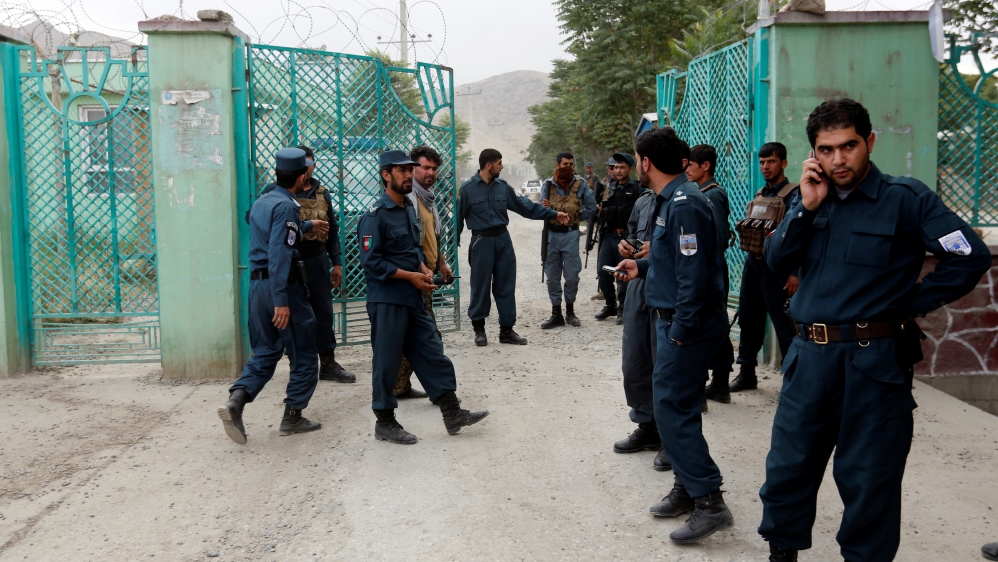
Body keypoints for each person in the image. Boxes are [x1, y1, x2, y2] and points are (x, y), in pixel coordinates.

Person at [758, 99, 990, 562]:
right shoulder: (807, 198)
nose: (838, 160)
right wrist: (805, 208)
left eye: (849, 146)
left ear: (870, 141)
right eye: (826, 150)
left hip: (874, 361)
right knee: (788, 466)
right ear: (813, 153)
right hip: (810, 358)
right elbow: (776, 260)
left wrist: (906, 303)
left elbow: (969, 256)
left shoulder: (906, 198)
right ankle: (782, 553)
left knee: (869, 477)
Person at [615, 127, 733, 544]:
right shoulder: (672, 199)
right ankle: (688, 486)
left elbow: (695, 275)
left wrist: (680, 331)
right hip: (677, 320)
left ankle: (709, 501)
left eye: (636, 159)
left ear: (646, 162)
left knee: (670, 407)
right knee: (674, 406)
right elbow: (674, 261)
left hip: (686, 324)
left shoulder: (685, 203)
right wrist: (641, 267)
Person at [358, 150, 490, 444]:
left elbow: (414, 248)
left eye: (410, 170)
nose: (409, 175)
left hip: (413, 297)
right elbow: (371, 262)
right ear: (386, 175)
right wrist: (409, 276)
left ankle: (452, 412)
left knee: (432, 352)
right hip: (388, 300)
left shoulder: (408, 207)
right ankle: (385, 422)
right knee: (387, 363)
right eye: (402, 171)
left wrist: (421, 266)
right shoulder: (374, 215)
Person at [217, 148, 329, 444]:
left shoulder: (263, 201)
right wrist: (282, 300)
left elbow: (274, 233)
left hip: (258, 288)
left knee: (266, 352)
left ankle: (236, 402)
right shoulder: (288, 206)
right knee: (304, 352)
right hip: (283, 288)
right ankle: (293, 416)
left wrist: (308, 225)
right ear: (302, 177)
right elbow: (280, 251)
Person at [259, 146, 354, 383]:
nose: (307, 169)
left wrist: (337, 262)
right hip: (291, 260)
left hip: (317, 259)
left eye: (310, 164)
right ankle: (298, 365)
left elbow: (332, 230)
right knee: (294, 314)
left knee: (323, 312)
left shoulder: (322, 193)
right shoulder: (275, 193)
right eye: (304, 165)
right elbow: (258, 221)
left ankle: (328, 363)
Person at [458, 149, 569, 346]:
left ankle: (507, 331)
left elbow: (525, 206)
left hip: (503, 240)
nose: (502, 167)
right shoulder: (467, 189)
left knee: (506, 285)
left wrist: (553, 214)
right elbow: (457, 220)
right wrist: (450, 248)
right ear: (489, 165)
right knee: (480, 286)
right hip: (481, 241)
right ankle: (479, 330)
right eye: (499, 163)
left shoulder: (503, 187)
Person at [730, 143, 800, 393]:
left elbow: (800, 237)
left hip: (778, 271)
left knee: (785, 326)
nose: (765, 167)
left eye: (771, 161)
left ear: (783, 163)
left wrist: (795, 273)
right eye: (762, 162)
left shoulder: (794, 195)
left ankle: (794, 383)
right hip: (754, 265)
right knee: (749, 320)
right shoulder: (760, 193)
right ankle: (747, 373)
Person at [613, 185, 673, 472]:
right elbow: (633, 234)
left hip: (668, 285)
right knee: (635, 359)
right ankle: (647, 426)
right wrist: (626, 245)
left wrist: (658, 250)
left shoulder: (686, 201)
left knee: (667, 365)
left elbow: (701, 250)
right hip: (640, 283)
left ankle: (672, 438)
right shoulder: (644, 201)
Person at [391, 145, 455, 401]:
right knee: (428, 337)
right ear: (413, 169)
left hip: (426, 273)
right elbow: (409, 242)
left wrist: (441, 263)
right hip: (414, 276)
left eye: (434, 168)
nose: (431, 172)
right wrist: (418, 270)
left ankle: (398, 387)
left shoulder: (428, 198)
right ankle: (442, 394)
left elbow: (432, 236)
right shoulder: (408, 200)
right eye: (425, 167)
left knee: (414, 334)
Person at [686, 144, 735, 405]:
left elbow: (715, 239)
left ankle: (718, 383)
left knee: (712, 326)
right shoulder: (701, 192)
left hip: (710, 271)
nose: (687, 169)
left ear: (705, 166)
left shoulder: (712, 195)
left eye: (691, 165)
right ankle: (716, 384)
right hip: (708, 269)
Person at [540, 152, 597, 328]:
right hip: (551, 235)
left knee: (572, 275)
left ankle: (570, 311)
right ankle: (556, 313)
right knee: (552, 276)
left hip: (571, 234)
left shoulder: (580, 184)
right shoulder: (548, 185)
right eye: (565, 164)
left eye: (571, 164)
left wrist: (576, 218)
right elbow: (541, 209)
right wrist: (545, 208)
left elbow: (591, 207)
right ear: (558, 165)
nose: (569, 167)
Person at [596, 153, 644, 324]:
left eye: (621, 167)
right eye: (615, 167)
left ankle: (623, 307)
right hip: (609, 235)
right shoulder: (609, 188)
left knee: (623, 274)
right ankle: (610, 305)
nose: (617, 170)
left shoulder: (638, 188)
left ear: (630, 169)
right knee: (603, 271)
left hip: (626, 236)